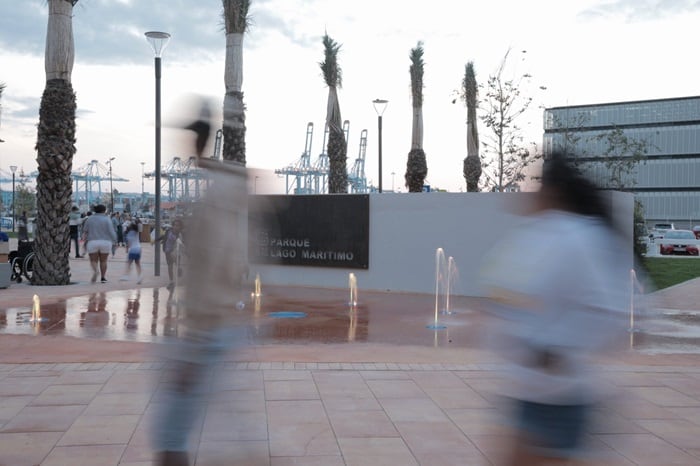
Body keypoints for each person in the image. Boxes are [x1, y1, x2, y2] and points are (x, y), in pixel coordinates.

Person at [477, 154, 629, 465]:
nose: (530, 192)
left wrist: (555, 353)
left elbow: (609, 308)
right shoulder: (540, 233)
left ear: (552, 191)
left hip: (561, 398)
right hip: (527, 390)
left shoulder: (580, 237)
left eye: (536, 184)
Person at [151, 98, 250, 466]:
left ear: (197, 141)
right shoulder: (227, 186)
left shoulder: (218, 199)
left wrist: (194, 346)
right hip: (218, 325)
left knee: (171, 434)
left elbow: (215, 265)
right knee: (213, 423)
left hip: (209, 328)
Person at [81, 204, 117, 283]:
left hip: (92, 241)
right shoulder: (107, 219)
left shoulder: (89, 219)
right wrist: (115, 241)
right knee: (103, 261)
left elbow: (85, 231)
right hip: (106, 242)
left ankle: (96, 271)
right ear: (104, 210)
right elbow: (111, 232)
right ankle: (103, 277)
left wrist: (84, 240)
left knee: (93, 260)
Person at [157, 218, 184, 289]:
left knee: (175, 262)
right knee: (170, 267)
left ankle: (179, 268)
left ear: (180, 227)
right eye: (175, 225)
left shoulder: (180, 234)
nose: (176, 227)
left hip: (175, 252)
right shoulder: (168, 231)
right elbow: (164, 237)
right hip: (167, 251)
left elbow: (181, 244)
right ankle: (171, 281)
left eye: (178, 225)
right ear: (173, 225)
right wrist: (156, 240)